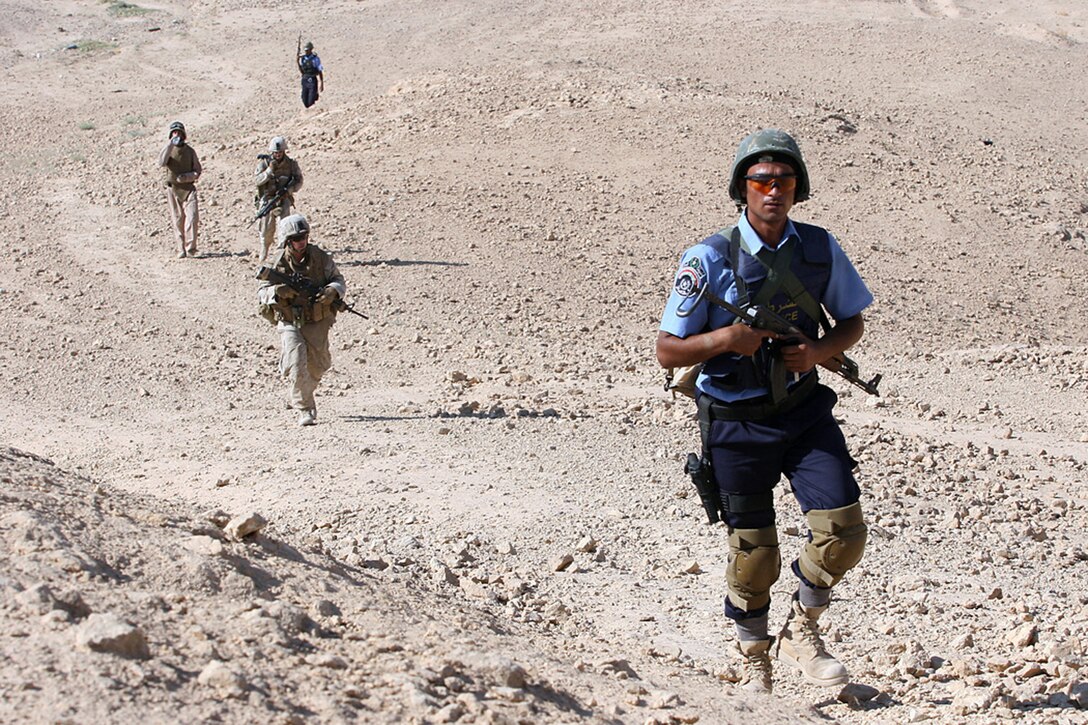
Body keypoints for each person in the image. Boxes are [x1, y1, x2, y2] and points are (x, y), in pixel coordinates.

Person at [655, 129, 873, 694]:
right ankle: (755, 658)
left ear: (798, 188)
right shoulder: (708, 258)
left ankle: (802, 627)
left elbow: (852, 320)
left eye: (784, 181)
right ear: (742, 188)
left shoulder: (819, 248)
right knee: (753, 554)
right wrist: (725, 339)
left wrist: (819, 352)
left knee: (844, 531)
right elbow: (668, 350)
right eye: (761, 181)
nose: (773, 191)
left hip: (803, 412)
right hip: (736, 421)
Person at [257, 213, 346, 427]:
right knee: (297, 361)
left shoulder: (320, 258)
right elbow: (262, 292)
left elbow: (338, 279)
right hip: (289, 320)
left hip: (316, 319)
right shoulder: (277, 262)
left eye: (304, 237)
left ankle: (304, 389)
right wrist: (278, 292)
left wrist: (332, 291)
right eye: (297, 238)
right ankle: (304, 407)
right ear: (287, 241)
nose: (302, 242)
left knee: (320, 364)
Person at [255, 136, 304, 262]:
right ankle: (264, 248)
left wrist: (289, 190)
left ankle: (281, 252)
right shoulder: (264, 164)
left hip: (284, 198)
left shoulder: (291, 164)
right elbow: (257, 181)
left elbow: (299, 180)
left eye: (280, 152)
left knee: (285, 226)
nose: (278, 154)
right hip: (268, 199)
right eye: (276, 152)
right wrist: (269, 171)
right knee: (266, 229)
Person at [158, 121, 201, 258]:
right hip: (173, 189)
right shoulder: (168, 150)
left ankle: (191, 248)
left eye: (180, 133)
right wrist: (170, 145)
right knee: (177, 219)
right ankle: (180, 248)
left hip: (188, 189)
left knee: (192, 218)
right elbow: (161, 162)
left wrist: (187, 177)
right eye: (174, 133)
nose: (177, 135)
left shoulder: (190, 151)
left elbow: (197, 171)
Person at [298, 41, 324, 108]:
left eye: (307, 50)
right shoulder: (303, 59)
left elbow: (320, 70)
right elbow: (302, 71)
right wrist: (297, 62)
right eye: (305, 50)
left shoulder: (315, 59)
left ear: (311, 49)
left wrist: (321, 83)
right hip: (305, 80)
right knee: (304, 98)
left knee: (311, 100)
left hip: (312, 80)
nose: (306, 52)